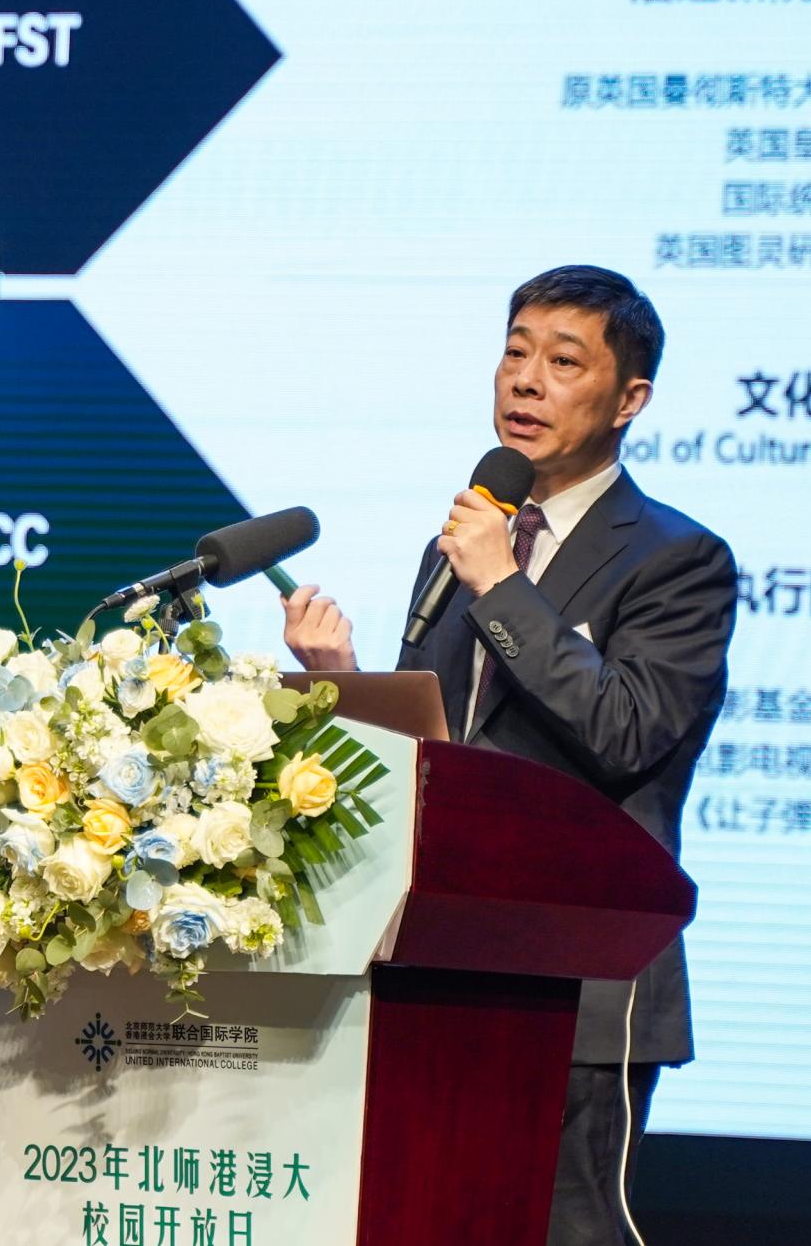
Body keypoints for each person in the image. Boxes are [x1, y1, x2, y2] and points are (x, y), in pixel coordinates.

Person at [281, 264, 737, 1245]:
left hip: (582, 986)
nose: (525, 380)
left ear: (629, 399)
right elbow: (436, 753)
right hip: (435, 966)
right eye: (514, 352)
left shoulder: (676, 560)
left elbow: (625, 730)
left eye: (563, 361)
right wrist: (342, 682)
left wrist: (501, 587)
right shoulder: (461, 544)